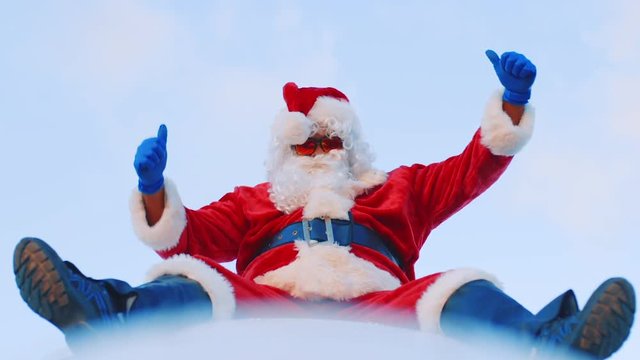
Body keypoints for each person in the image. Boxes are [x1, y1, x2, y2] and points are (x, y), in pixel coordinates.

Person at [14, 50, 635, 359]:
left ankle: (548, 340)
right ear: (287, 150)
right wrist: (153, 190)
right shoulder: (258, 201)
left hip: (380, 295)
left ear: (350, 144)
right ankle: (101, 309)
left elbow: (471, 170)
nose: (320, 148)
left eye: (330, 138)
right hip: (273, 297)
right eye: (308, 140)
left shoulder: (398, 189)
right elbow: (187, 235)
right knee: (194, 278)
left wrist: (512, 103)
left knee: (458, 287)